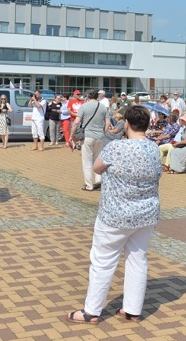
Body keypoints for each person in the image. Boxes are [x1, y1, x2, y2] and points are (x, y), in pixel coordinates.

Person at [66, 105, 162, 324]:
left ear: (125, 124)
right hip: (146, 214)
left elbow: (97, 168)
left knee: (103, 261)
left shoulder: (116, 148)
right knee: (138, 259)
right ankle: (132, 309)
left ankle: (92, 311)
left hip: (116, 214)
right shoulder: (153, 148)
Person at [72, 89, 108, 191]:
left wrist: (72, 134)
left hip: (87, 136)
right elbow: (107, 123)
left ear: (88, 96)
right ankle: (98, 182)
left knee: (87, 161)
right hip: (99, 136)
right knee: (98, 160)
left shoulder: (84, 106)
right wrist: (103, 133)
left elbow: (76, 122)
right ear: (97, 96)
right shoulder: (103, 107)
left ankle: (89, 185)